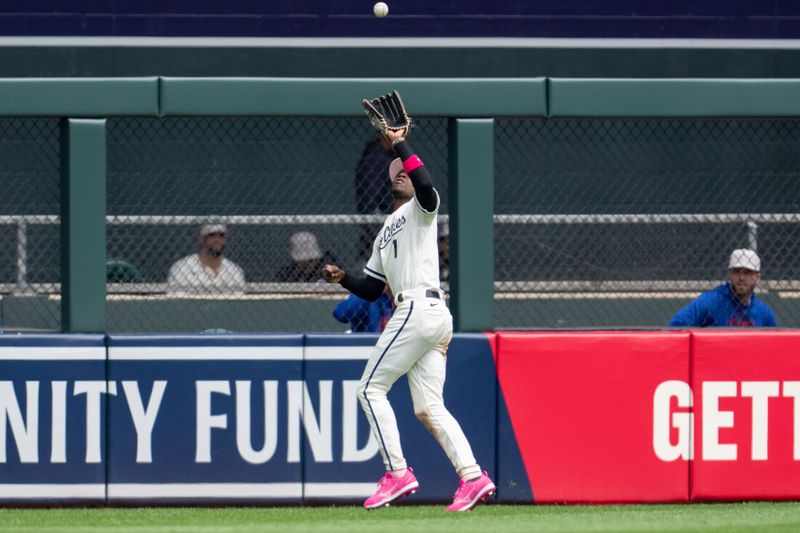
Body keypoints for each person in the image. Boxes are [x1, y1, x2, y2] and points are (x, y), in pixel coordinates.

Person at [322, 128, 495, 512]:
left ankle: (397, 472)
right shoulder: (385, 231)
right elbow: (370, 289)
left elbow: (427, 183)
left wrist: (398, 142)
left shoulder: (422, 209)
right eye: (396, 171)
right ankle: (472, 477)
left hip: (419, 308)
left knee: (369, 389)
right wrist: (343, 279)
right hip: (428, 316)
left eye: (406, 171)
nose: (402, 173)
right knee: (428, 408)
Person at [669, 248, 777, 327]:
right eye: (736, 271)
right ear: (729, 275)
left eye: (748, 272)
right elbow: (676, 326)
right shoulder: (711, 301)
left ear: (757, 277)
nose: (741, 277)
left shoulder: (764, 313)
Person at [167, 223, 246, 295]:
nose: (217, 240)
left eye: (221, 235)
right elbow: (176, 302)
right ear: (201, 239)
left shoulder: (235, 271)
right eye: (212, 235)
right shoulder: (182, 268)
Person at [355, 134, 396, 261]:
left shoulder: (389, 156)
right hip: (380, 229)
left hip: (388, 226)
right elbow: (369, 201)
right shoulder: (376, 159)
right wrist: (378, 235)